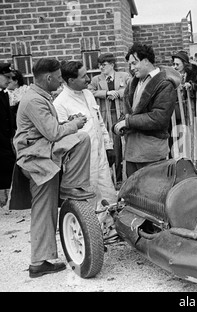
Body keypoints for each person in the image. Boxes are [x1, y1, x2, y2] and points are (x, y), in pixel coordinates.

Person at [11, 58, 94, 278]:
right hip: (36, 159)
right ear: (48, 77)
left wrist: (69, 123)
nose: (60, 81)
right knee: (81, 138)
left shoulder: (37, 95)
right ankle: (71, 188)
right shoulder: (34, 100)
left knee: (43, 210)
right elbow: (54, 133)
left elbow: (51, 128)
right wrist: (74, 124)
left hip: (40, 155)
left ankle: (40, 262)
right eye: (58, 77)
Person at [53, 61, 117, 236]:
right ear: (70, 80)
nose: (88, 79)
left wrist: (108, 146)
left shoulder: (88, 94)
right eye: (83, 76)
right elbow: (62, 137)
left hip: (100, 154)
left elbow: (99, 122)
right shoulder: (60, 104)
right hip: (82, 161)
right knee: (88, 197)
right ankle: (91, 235)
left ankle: (110, 229)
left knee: (107, 192)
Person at [113, 42, 181, 177]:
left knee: (152, 194)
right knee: (134, 194)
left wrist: (127, 122)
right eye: (130, 64)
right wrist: (118, 125)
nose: (132, 68)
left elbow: (159, 118)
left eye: (134, 63)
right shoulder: (133, 83)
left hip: (151, 152)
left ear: (145, 61)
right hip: (132, 151)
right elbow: (127, 113)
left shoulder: (164, 84)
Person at [88, 53, 131, 183]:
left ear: (112, 65)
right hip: (106, 116)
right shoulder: (96, 79)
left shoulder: (124, 76)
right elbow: (90, 91)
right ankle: (114, 178)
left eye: (104, 65)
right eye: (99, 65)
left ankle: (125, 177)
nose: (101, 67)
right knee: (112, 147)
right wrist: (105, 93)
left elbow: (131, 88)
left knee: (124, 146)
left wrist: (118, 93)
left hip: (121, 116)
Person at [0, 63, 16, 206]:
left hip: (5, 141)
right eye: (6, 77)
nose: (9, 80)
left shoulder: (4, 94)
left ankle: (6, 201)